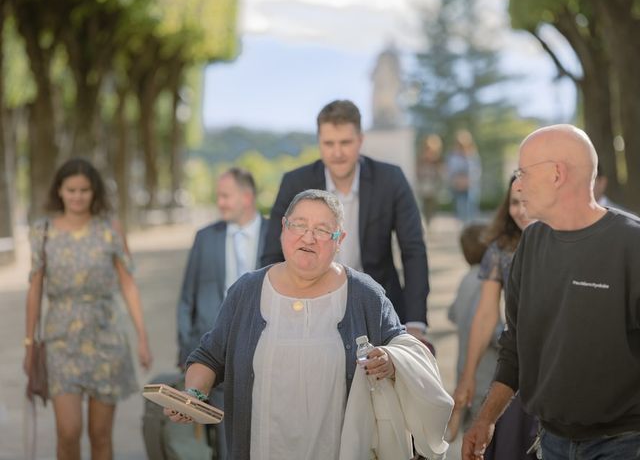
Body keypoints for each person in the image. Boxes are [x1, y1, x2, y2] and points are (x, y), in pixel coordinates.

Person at [166, 189, 453, 460]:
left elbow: (402, 348)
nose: (308, 237)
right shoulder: (247, 291)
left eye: (323, 230)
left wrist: (390, 361)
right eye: (299, 225)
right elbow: (210, 356)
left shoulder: (364, 295)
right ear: (283, 228)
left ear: (339, 240)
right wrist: (193, 394)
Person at [463, 124, 640, 460]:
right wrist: (485, 419)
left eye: (522, 173)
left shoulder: (632, 245)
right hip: (550, 442)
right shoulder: (530, 244)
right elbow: (514, 344)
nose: (516, 185)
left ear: (557, 174)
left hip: (624, 445)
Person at [261, 99, 430, 336]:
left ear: (360, 140)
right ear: (319, 142)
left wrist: (415, 322)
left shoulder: (391, 180)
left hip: (376, 306)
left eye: (346, 142)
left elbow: (413, 250)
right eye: (329, 143)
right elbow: (272, 252)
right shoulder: (295, 183)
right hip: (308, 306)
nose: (337, 152)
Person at [23, 158, 152, 459]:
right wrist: (30, 344)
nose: (78, 196)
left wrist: (142, 338)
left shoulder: (111, 229)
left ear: (95, 192)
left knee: (100, 435)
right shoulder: (42, 232)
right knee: (67, 432)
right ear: (59, 191)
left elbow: (128, 284)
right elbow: (34, 290)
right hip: (60, 341)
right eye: (71, 190)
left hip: (106, 340)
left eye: (84, 190)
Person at [176, 167, 267, 458]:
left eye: (226, 196)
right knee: (224, 440)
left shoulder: (275, 234)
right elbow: (187, 297)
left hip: (266, 348)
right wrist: (186, 353)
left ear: (247, 197)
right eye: (219, 196)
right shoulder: (205, 237)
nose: (221, 203)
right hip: (216, 353)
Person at [453, 176, 536, 459]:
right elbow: (486, 314)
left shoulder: (564, 240)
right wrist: (468, 376)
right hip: (516, 365)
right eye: (514, 202)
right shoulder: (500, 250)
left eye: (527, 200)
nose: (521, 209)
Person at [445, 223, 491, 439]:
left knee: (468, 434)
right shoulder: (489, 280)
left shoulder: (466, 279)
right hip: (485, 374)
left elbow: (452, 314)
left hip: (463, 370)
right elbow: (490, 326)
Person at [446, 129, 482, 224]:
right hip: (458, 187)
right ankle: (463, 227)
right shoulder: (453, 156)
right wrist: (456, 182)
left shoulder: (472, 155)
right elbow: (450, 171)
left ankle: (470, 228)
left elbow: (476, 171)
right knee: (460, 209)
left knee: (471, 210)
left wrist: (469, 181)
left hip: (470, 186)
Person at [416, 133, 444, 227]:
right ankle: (427, 223)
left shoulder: (437, 159)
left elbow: (441, 171)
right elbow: (417, 170)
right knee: (425, 205)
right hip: (424, 184)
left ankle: (431, 222)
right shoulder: (421, 157)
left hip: (434, 184)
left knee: (432, 205)